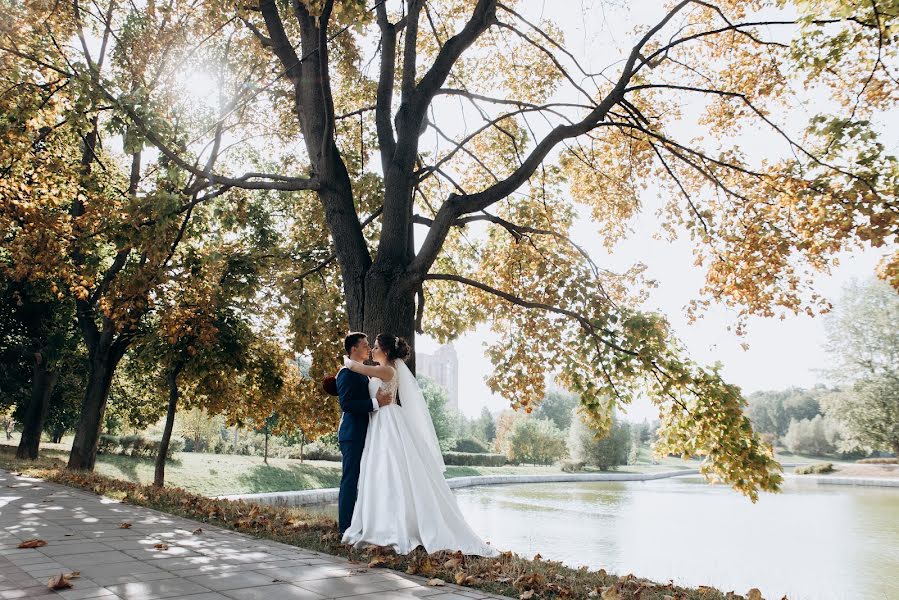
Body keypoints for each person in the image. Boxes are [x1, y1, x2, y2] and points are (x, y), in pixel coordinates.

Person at [340, 333, 497, 556]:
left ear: (385, 351)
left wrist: (346, 363)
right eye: (370, 347)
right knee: (380, 472)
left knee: (391, 470)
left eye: (375, 347)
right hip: (378, 422)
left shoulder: (387, 370)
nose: (372, 351)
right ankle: (380, 521)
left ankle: (394, 526)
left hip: (387, 421)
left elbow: (357, 368)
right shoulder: (382, 370)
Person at [336, 332, 392, 534]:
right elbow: (347, 404)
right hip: (352, 434)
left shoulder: (363, 373)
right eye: (365, 345)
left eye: (370, 345)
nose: (368, 348)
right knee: (350, 480)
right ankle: (345, 527)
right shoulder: (345, 373)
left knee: (364, 480)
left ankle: (361, 523)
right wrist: (376, 403)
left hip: (367, 432)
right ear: (353, 349)